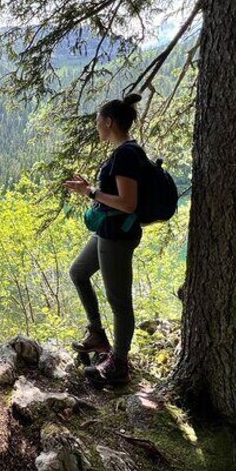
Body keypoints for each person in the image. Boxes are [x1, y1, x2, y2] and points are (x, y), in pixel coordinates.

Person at [64, 93, 145, 386]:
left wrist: (91, 193)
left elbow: (128, 203)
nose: (97, 126)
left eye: (98, 120)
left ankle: (119, 365)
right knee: (78, 272)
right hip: (107, 231)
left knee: (119, 300)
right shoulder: (122, 152)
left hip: (119, 235)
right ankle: (97, 334)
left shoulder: (126, 153)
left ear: (109, 121)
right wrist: (91, 189)